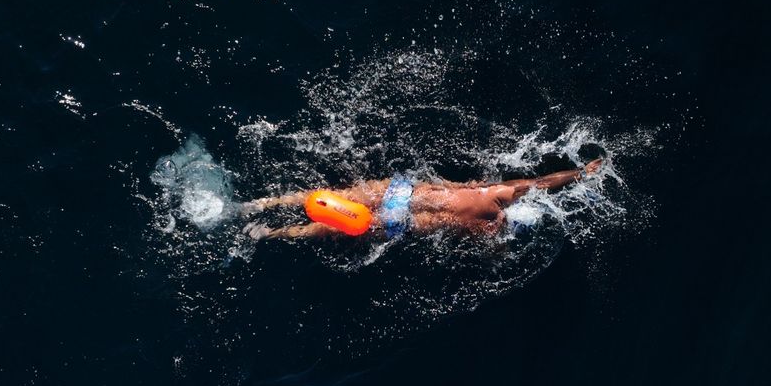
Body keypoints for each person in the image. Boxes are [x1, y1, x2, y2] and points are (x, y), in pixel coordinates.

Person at [242, 158, 604, 240]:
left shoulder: (496, 190)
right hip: (399, 222)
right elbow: (494, 261)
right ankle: (267, 233)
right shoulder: (489, 227)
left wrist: (582, 172)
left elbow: (542, 182)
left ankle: (263, 204)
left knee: (339, 197)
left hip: (403, 192)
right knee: (319, 231)